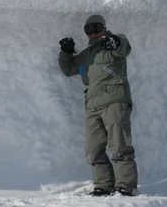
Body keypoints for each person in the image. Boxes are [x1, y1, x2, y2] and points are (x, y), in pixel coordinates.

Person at [58, 14, 138, 196]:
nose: (92, 33)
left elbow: (123, 46)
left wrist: (115, 41)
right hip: (93, 106)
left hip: (115, 101)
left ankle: (126, 185)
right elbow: (69, 69)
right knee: (93, 149)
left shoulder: (112, 46)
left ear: (104, 27)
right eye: (88, 30)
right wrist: (66, 52)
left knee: (120, 145)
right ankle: (103, 185)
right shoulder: (86, 56)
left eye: (96, 28)